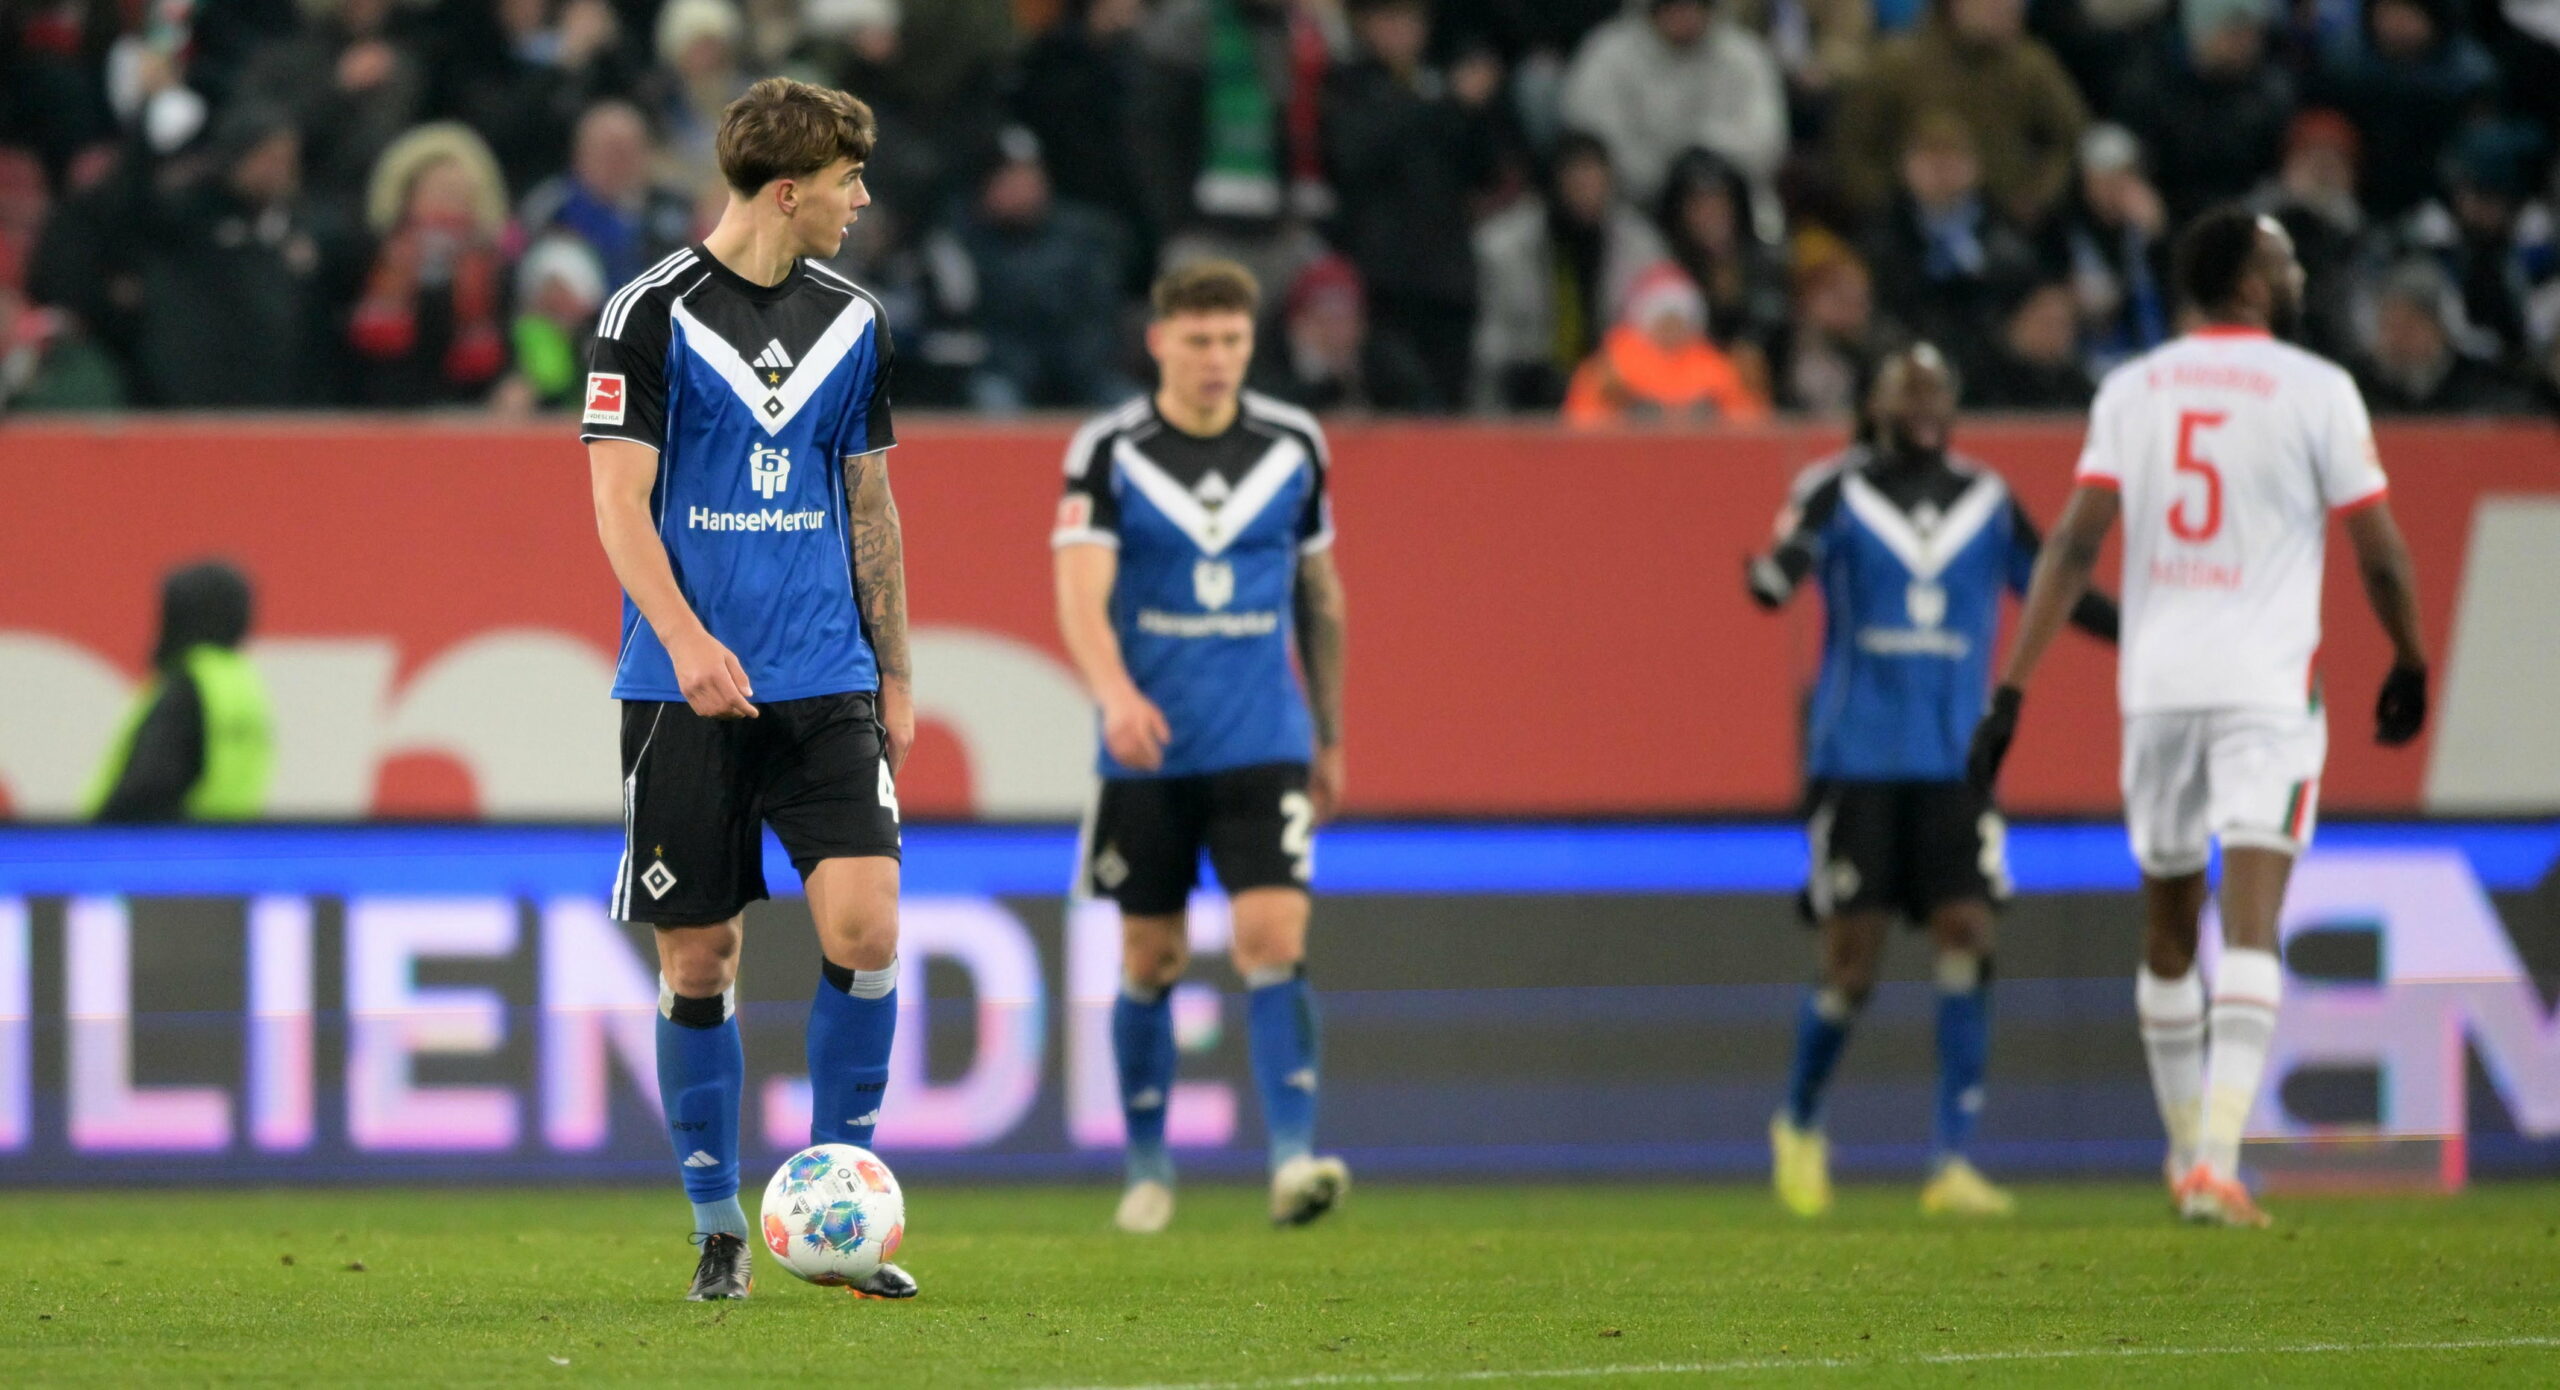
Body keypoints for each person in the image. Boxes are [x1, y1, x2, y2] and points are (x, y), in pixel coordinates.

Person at [1967, 209, 2431, 1228]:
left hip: (2158, 686)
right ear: (2255, 286)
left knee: (2167, 924)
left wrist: (2014, 688)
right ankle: (2217, 1160)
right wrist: (2406, 654)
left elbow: (2072, 547)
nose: (2299, 272)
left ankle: (2185, 1159)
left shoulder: (2131, 389)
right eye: (2286, 260)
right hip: (2263, 686)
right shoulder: (2317, 390)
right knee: (2251, 917)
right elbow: (2381, 550)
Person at [580, 77, 915, 1302]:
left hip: (825, 679)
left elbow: (870, 506)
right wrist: (684, 641)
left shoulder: (857, 320)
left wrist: (897, 666)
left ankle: (841, 1207)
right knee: (702, 958)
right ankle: (719, 1220)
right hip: (682, 690)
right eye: (846, 180)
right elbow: (617, 502)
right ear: (789, 189)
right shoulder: (643, 315)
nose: (859, 199)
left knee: (866, 926)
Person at [1745, 344, 2117, 1220]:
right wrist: (1771, 584)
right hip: (1858, 757)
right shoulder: (1835, 487)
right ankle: (1797, 1122)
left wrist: (2143, 630)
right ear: (1875, 401)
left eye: (1937, 388)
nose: (1923, 401)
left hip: (1955, 760)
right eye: (1906, 386)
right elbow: (1793, 557)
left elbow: (2057, 585)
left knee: (1968, 929)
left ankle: (1950, 1159)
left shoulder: (1987, 501)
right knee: (1853, 959)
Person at [1051, 260, 1351, 1236]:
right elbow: (1080, 591)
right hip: (1148, 744)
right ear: (1159, 343)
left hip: (1263, 736)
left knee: (1275, 939)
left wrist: (1332, 732)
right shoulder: (1109, 449)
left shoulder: (1295, 445)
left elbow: (1319, 594)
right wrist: (1114, 694)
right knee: (1152, 954)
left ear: (1250, 343)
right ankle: (1146, 1168)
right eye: (1198, 341)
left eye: (1231, 340)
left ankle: (1296, 1159)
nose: (1216, 359)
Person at [85, 561, 273, 822]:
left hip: (153, 851)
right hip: (224, 848)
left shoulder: (191, 683)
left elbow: (151, 782)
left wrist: (95, 835)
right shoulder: (241, 685)